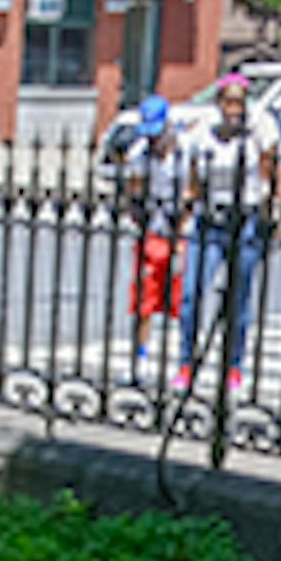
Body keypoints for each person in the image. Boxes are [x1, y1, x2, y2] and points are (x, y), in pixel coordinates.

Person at [172, 70, 281, 393]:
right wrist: (181, 218)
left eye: (239, 102)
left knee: (238, 299)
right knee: (191, 296)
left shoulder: (258, 131)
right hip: (210, 219)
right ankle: (186, 362)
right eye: (228, 101)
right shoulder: (203, 134)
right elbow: (193, 183)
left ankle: (234, 366)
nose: (234, 108)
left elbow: (272, 173)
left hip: (246, 220)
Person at [112, 94, 177, 381]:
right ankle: (140, 354)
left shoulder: (184, 152)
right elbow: (133, 191)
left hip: (179, 228)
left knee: (178, 295)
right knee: (144, 295)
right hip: (152, 228)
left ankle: (175, 356)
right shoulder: (140, 154)